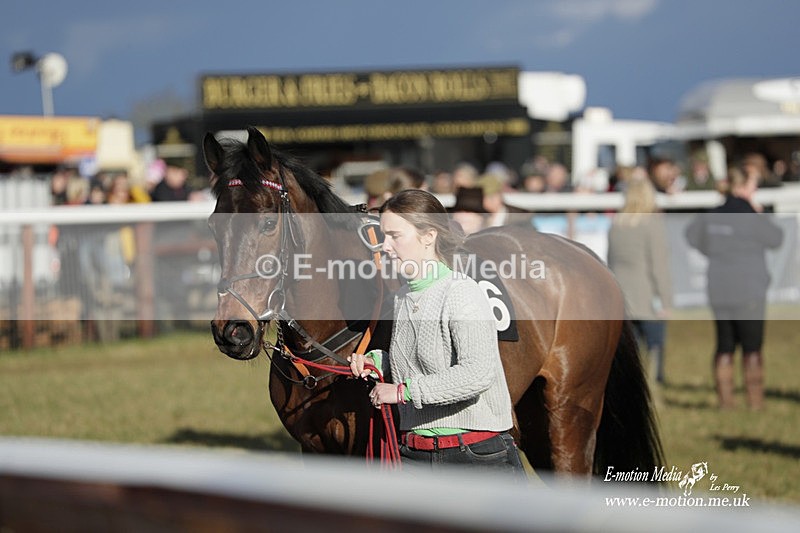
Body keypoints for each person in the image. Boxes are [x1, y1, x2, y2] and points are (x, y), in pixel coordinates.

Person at [349, 189, 524, 475]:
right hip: (414, 454)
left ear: (429, 236)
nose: (385, 246)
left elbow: (477, 373)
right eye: (383, 236)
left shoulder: (462, 292)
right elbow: (421, 361)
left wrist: (402, 392)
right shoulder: (401, 298)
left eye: (394, 236)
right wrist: (376, 362)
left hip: (476, 458)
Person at [685, 167, 784, 410]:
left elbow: (691, 235)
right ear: (740, 187)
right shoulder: (750, 214)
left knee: (724, 345)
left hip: (719, 287)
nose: (755, 190)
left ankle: (726, 402)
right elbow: (776, 239)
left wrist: (715, 251)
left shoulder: (712, 214)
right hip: (749, 289)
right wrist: (760, 213)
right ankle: (755, 402)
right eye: (752, 185)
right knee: (752, 347)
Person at [607, 176, 672, 387]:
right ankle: (654, 387)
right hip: (648, 297)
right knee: (655, 345)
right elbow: (658, 266)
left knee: (629, 352)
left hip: (621, 297)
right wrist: (665, 300)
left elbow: (611, 261)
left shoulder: (616, 224)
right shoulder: (651, 224)